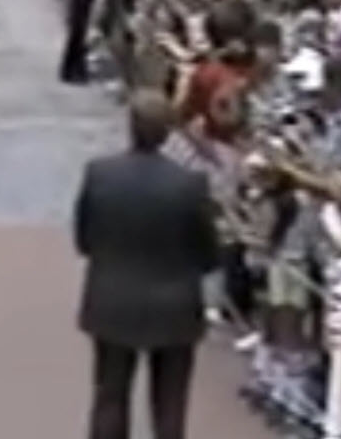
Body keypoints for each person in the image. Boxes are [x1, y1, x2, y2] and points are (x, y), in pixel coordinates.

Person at [74, 90, 220, 439]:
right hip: (175, 303)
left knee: (110, 395)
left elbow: (85, 238)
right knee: (170, 402)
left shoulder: (100, 174)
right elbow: (209, 252)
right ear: (168, 132)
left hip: (113, 297)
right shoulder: (190, 185)